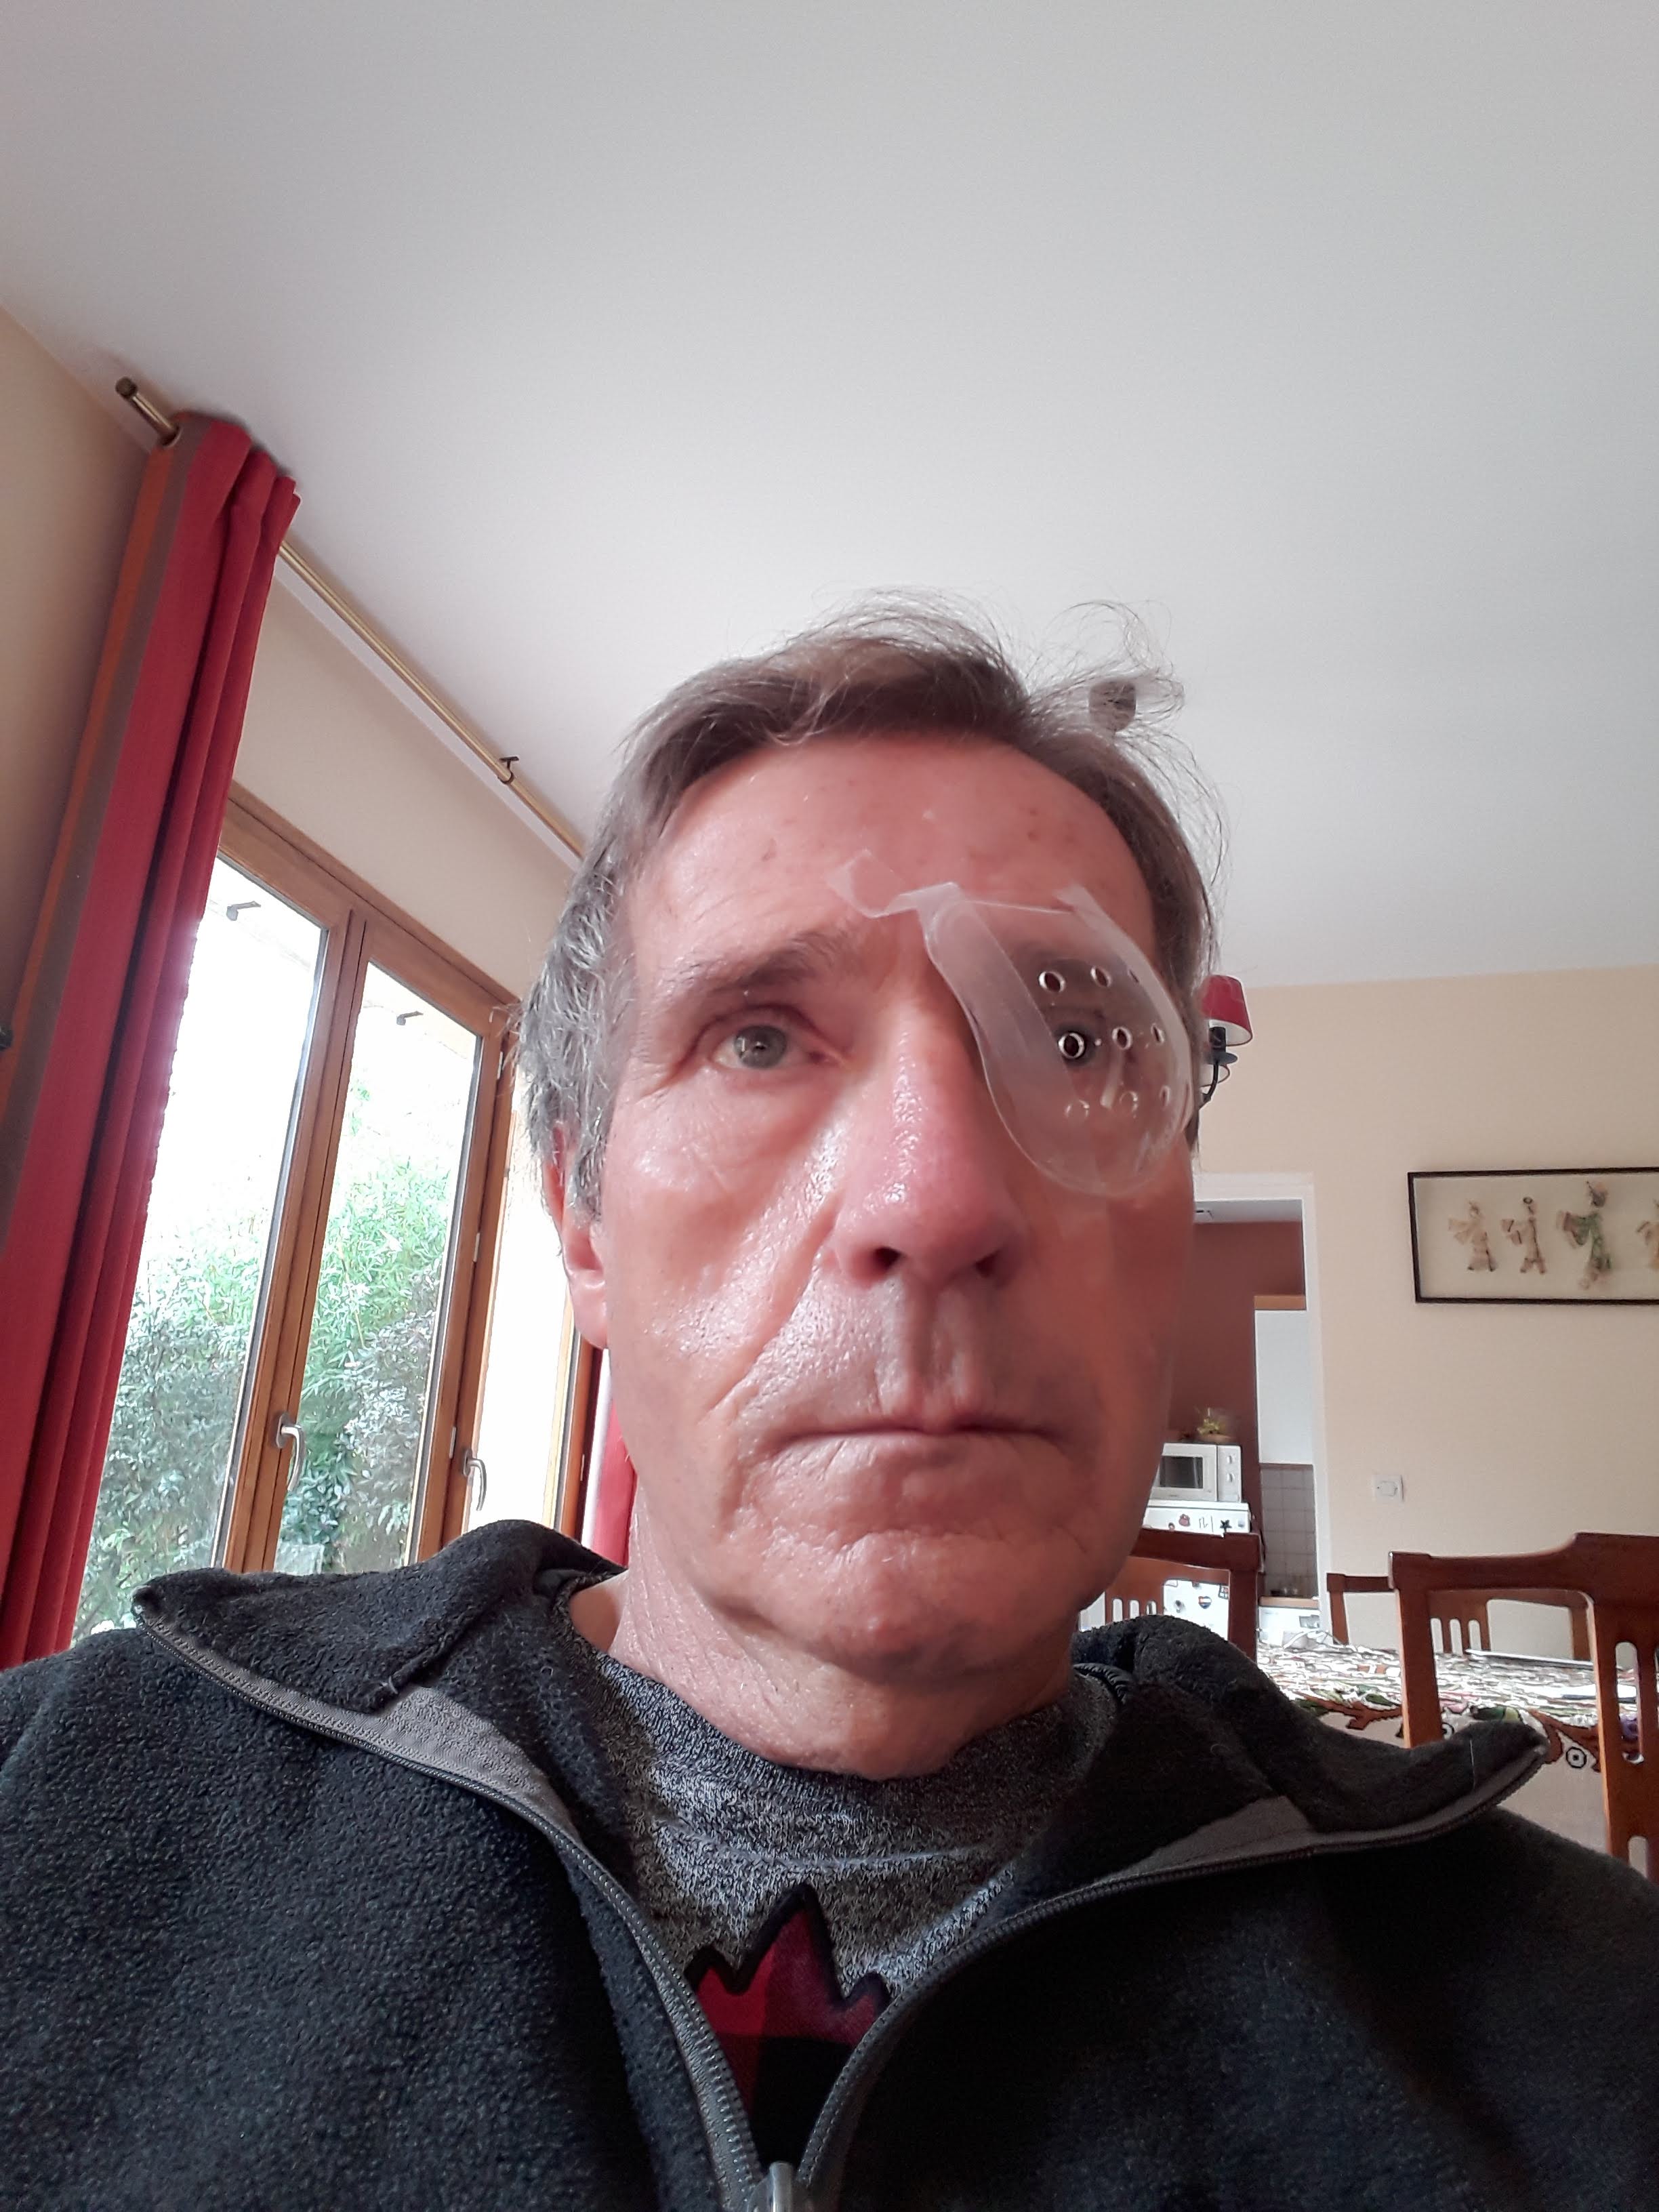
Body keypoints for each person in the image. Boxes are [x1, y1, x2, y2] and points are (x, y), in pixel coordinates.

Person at [2, 608, 1656, 2212]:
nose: (937, 1201)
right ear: (582, 1222)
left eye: (1075, 1036)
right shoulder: (52, 1811)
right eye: (758, 1039)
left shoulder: (1590, 2034)